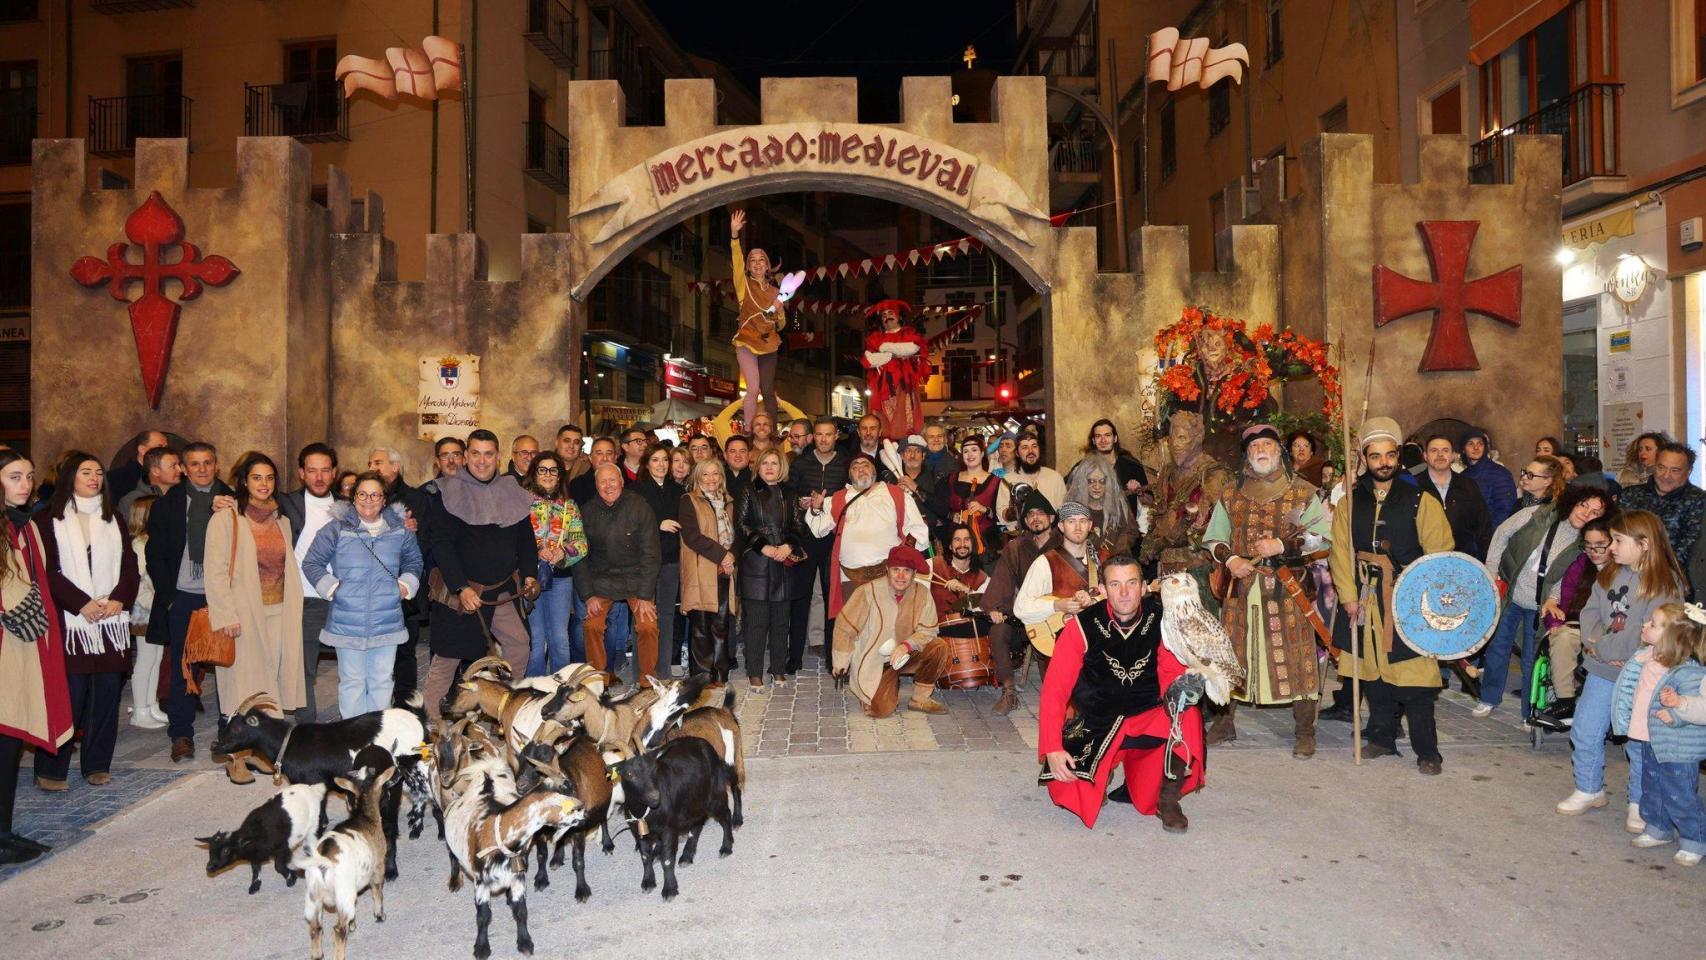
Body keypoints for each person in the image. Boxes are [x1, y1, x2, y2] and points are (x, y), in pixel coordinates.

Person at [1037, 554, 1205, 832]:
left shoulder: (1164, 622)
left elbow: (1169, 672)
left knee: (1186, 713)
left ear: (1144, 587)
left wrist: (1181, 691)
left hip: (1148, 716)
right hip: (1097, 720)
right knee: (1066, 789)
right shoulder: (1080, 626)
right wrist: (1052, 748)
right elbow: (1055, 690)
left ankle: (1167, 800)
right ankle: (1103, 772)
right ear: (1102, 590)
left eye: (1131, 583)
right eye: (1115, 584)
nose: (1124, 593)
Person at [1329, 416, 1455, 775]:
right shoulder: (1349, 504)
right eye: (1375, 456)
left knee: (1415, 678)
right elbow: (1340, 552)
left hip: (1407, 599)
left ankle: (1428, 750)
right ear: (1365, 459)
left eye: (1389, 455)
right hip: (1366, 596)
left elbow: (1441, 555)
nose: (1383, 462)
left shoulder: (1421, 500)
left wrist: (1426, 599)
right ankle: (1382, 738)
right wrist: (1348, 596)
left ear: (1398, 455)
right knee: (1372, 674)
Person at [1199, 424, 1333, 756]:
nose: (1261, 450)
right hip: (1241, 589)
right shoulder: (1231, 493)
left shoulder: (1303, 492)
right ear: (1247, 455)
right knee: (1231, 656)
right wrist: (1230, 559)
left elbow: (1323, 540)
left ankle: (1305, 730)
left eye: (1268, 445)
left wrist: (1283, 543)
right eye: (1255, 446)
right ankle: (1224, 722)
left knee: (1298, 657)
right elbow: (1213, 537)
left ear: (1279, 452)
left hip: (1287, 588)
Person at [1559, 510, 1687, 826]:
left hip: (1642, 676)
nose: (1611, 547)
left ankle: (1639, 801)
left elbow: (1643, 635)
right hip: (1603, 670)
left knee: (1638, 740)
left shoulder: (1665, 586)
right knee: (1585, 729)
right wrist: (1596, 643)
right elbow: (1589, 612)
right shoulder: (1610, 574)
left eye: (1618, 540)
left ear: (1644, 543)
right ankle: (1588, 788)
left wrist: (1601, 646)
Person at [32, 452, 139, 791]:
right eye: (85, 472)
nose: (94, 478)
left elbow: (130, 565)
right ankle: (51, 768)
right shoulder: (46, 519)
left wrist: (120, 597)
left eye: (98, 472)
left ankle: (96, 764)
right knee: (69, 696)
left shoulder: (114, 519)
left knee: (107, 695)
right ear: (68, 478)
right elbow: (46, 571)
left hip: (110, 623)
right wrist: (81, 604)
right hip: (70, 625)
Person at [421, 430, 539, 717]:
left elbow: (526, 541)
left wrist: (529, 575)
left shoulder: (513, 490)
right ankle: (429, 727)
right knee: (447, 660)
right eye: (475, 453)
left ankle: (504, 709)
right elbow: (442, 546)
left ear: (498, 457)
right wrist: (461, 587)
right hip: (461, 594)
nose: (482, 460)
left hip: (501, 591)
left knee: (519, 645)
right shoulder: (447, 491)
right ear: (466, 456)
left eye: (488, 454)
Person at [1477, 485, 1608, 720]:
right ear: (1572, 502)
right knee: (1497, 647)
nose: (1586, 514)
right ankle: (1488, 698)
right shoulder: (1537, 514)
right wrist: (1491, 572)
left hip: (1539, 605)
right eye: (1583, 505)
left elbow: (1567, 577)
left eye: (1595, 512)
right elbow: (1501, 534)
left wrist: (1551, 600)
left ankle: (1529, 713)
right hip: (1511, 594)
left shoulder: (1586, 542)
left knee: (1532, 657)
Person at [300, 472, 423, 718]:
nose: (369, 500)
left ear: (384, 499)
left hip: (387, 619)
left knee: (382, 681)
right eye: (362, 494)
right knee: (352, 682)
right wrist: (334, 589)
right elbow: (311, 562)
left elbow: (414, 561)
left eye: (375, 494)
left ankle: (377, 737)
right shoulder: (335, 529)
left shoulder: (400, 530)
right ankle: (354, 737)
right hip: (347, 620)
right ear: (353, 497)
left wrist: (405, 586)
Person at [0, 451, 72, 863]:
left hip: (24, 644)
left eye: (28, 476)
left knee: (9, 743)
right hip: (7, 645)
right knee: (4, 736)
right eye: (14, 477)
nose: (25, 484)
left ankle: (4, 831)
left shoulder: (24, 525)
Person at [144, 441, 234, 762]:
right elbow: (154, 554)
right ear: (183, 468)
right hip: (182, 596)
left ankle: (230, 728)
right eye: (194, 464)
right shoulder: (167, 505)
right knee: (184, 668)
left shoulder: (232, 499)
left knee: (227, 665)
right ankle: (181, 734)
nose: (201, 469)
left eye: (207, 463)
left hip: (220, 596)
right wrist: (169, 598)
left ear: (216, 464)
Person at [204, 452, 307, 727]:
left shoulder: (280, 520)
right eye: (257, 478)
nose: (264, 484)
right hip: (242, 614)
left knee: (270, 682)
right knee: (243, 683)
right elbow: (215, 572)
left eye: (270, 478)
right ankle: (237, 752)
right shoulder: (226, 518)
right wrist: (225, 616)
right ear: (244, 481)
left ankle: (263, 744)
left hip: (279, 611)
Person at [1613, 602, 1706, 866]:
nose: (1645, 625)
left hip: (1677, 745)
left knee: (1680, 792)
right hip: (1649, 737)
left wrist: (1677, 711)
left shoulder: (1689, 673)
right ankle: (1658, 826)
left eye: (1653, 624)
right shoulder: (1646, 659)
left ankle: (1695, 838)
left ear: (1672, 637)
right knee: (1651, 786)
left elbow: (1701, 709)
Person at [806, 452, 930, 625]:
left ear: (874, 470)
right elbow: (819, 530)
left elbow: (918, 529)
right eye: (855, 468)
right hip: (850, 577)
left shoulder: (896, 494)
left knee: (889, 628)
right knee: (855, 629)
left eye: (865, 465)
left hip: (889, 576)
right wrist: (817, 508)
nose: (860, 470)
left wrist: (903, 555)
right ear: (849, 475)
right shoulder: (838, 498)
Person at [831, 544, 949, 716]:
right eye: (896, 570)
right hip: (876, 661)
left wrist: (907, 645)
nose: (901, 576)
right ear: (887, 570)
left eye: (907, 571)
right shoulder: (867, 592)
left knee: (938, 647)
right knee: (880, 711)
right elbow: (844, 628)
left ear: (914, 574)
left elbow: (929, 630)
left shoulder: (922, 593)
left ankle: (920, 699)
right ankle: (878, 687)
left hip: (907, 654)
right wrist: (841, 662)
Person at [575, 463, 662, 686]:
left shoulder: (640, 507)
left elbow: (652, 554)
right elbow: (580, 558)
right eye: (602, 481)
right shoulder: (586, 512)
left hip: (636, 578)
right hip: (601, 579)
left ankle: (647, 681)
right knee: (591, 626)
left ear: (622, 482)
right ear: (596, 485)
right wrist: (588, 595)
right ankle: (598, 680)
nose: (608, 485)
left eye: (612, 480)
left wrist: (645, 595)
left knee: (647, 626)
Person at [981, 491, 1061, 715]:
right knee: (998, 632)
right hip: (1025, 616)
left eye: (1041, 513)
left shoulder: (1063, 544)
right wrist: (994, 608)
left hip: (1057, 616)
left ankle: (1062, 696)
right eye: (1030, 515)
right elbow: (1002, 579)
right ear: (1025, 521)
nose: (1035, 518)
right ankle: (1009, 692)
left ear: (1052, 518)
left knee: (1055, 661)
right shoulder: (1016, 547)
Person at [278, 442, 339, 721]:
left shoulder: (349, 507)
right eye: (312, 470)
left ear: (334, 473)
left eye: (325, 470)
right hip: (305, 599)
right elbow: (248, 506)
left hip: (343, 599)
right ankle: (307, 731)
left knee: (354, 668)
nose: (318, 477)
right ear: (301, 472)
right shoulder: (284, 504)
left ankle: (353, 726)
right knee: (305, 669)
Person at [1139, 410, 1232, 588]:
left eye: (1182, 438)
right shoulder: (1167, 472)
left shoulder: (1215, 474)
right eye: (1171, 438)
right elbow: (1160, 511)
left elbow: (1222, 526)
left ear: (1197, 440)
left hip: (1200, 567)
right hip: (1167, 566)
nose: (1175, 444)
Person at [788, 418, 851, 672]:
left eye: (828, 434)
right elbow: (788, 493)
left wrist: (829, 504)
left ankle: (832, 657)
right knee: (800, 597)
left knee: (831, 597)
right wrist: (800, 504)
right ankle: (794, 658)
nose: (824, 439)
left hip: (833, 539)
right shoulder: (801, 462)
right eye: (819, 435)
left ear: (836, 436)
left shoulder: (846, 462)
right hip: (805, 537)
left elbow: (851, 494)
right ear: (813, 437)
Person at [739, 449, 803, 690]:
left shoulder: (790, 493)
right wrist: (763, 547)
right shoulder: (749, 491)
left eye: (774, 463)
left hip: (784, 563)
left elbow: (798, 525)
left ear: (781, 467)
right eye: (764, 463)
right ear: (758, 466)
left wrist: (789, 545)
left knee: (780, 622)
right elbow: (742, 524)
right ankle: (754, 672)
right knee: (756, 622)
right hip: (757, 562)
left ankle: (777, 669)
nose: (769, 467)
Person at [1015, 501, 1106, 671]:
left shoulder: (1103, 560)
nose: (1078, 527)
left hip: (1099, 643)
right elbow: (1021, 608)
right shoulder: (1045, 563)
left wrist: (1099, 598)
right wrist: (1056, 605)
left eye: (1083, 521)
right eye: (1071, 521)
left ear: (1090, 525)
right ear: (1062, 526)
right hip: (1060, 645)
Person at [520, 453, 586, 678]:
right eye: (542, 469)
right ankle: (533, 689)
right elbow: (511, 540)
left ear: (559, 475)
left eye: (553, 470)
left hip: (560, 578)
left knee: (560, 638)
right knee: (536, 640)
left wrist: (562, 552)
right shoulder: (521, 503)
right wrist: (537, 551)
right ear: (534, 473)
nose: (548, 475)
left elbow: (581, 543)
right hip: (530, 576)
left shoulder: (570, 506)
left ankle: (560, 688)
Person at [680, 458, 737, 685]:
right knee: (701, 626)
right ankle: (702, 676)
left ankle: (721, 674)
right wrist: (722, 555)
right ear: (697, 478)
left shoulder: (729, 502)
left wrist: (730, 555)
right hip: (701, 569)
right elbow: (692, 536)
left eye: (716, 474)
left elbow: (735, 534)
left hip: (724, 570)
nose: (711, 479)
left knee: (721, 624)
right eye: (706, 475)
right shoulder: (689, 500)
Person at [729, 208, 787, 429]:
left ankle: (770, 431)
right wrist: (735, 237)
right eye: (752, 260)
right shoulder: (744, 285)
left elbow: (781, 325)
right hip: (746, 342)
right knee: (753, 389)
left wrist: (778, 313)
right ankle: (749, 432)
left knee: (768, 389)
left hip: (769, 345)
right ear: (748, 265)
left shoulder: (775, 291)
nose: (756, 263)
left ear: (767, 264)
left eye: (761, 259)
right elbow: (736, 263)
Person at [1619, 442, 1705, 582]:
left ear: (1688, 472)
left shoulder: (1699, 500)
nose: (1666, 475)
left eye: (1675, 470)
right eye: (1661, 467)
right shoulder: (1631, 495)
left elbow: (1690, 547)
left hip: (1672, 581)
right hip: (1625, 576)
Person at [634, 442, 684, 669]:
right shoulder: (636, 490)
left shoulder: (677, 489)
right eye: (655, 460)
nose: (661, 464)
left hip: (671, 560)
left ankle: (663, 670)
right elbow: (631, 525)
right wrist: (657, 524)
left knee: (666, 616)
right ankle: (643, 671)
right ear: (646, 463)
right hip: (644, 561)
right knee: (645, 620)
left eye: (665, 460)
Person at [125, 496, 167, 729]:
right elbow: (141, 580)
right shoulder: (139, 544)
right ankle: (140, 710)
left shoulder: (152, 540)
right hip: (144, 610)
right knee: (145, 659)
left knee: (157, 657)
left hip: (154, 609)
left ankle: (151, 705)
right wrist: (156, 601)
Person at [862, 299, 929, 440]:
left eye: (890, 313)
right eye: (884, 315)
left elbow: (912, 348)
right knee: (883, 416)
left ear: (899, 315)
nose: (887, 317)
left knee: (906, 415)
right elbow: (869, 360)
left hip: (904, 385)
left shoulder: (908, 333)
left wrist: (885, 348)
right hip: (882, 386)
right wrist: (894, 354)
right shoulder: (875, 338)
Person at [1418, 434, 1491, 561]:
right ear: (1425, 456)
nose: (1440, 455)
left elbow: (1483, 528)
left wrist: (1487, 564)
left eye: (1445, 451)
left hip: (1463, 561)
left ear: (1453, 456)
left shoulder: (1469, 485)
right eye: (1434, 450)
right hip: (1424, 562)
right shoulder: (1413, 486)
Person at [1063, 455, 1140, 561]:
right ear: (1083, 482)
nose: (1097, 486)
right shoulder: (1075, 508)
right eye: (1091, 481)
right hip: (1080, 568)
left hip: (1114, 566)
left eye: (1102, 481)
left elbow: (1131, 531)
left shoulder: (1119, 506)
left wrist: (1121, 549)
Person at [948, 437, 1002, 568]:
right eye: (965, 451)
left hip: (985, 545)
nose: (970, 454)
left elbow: (1000, 514)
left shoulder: (996, 481)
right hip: (956, 545)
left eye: (974, 450)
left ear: (982, 453)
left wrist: (985, 509)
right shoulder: (951, 478)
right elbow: (943, 508)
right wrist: (951, 515)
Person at [1081, 419, 1149, 517]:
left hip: (1127, 528)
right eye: (1098, 436)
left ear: (1115, 438)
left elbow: (1150, 501)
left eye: (1107, 435)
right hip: (1094, 528)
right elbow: (1069, 489)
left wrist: (1139, 491)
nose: (1103, 440)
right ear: (1093, 441)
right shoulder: (1084, 466)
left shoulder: (1132, 464)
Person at [998, 432, 1067, 525]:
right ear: (1017, 453)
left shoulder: (1055, 477)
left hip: (1052, 535)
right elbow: (1002, 516)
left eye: (1034, 446)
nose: (1031, 451)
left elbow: (1064, 511)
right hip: (1020, 536)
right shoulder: (1008, 480)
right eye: (1025, 447)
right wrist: (1017, 509)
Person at [895, 434, 951, 549]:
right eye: (908, 451)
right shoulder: (890, 480)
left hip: (929, 540)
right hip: (897, 539)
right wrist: (895, 493)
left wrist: (916, 488)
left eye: (917, 451)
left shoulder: (937, 478)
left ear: (923, 455)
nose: (912, 455)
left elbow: (944, 510)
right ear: (901, 455)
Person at [1461, 427, 1518, 532]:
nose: (1476, 447)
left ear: (1485, 448)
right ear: (1463, 449)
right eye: (1470, 444)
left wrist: (1486, 537)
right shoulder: (1462, 476)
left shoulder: (1500, 474)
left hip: (1490, 538)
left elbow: (1505, 511)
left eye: (1480, 443)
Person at [117, 444, 182, 522]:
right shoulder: (130, 501)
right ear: (156, 471)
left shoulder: (184, 495)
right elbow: (125, 532)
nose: (180, 470)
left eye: (179, 464)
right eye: (173, 466)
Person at [107, 429, 168, 501]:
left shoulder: (172, 477)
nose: (167, 453)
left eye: (166, 448)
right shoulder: (114, 478)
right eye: (160, 448)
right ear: (142, 450)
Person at [569, 437, 621, 505]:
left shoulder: (626, 483)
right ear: (590, 458)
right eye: (599, 453)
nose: (605, 458)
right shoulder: (578, 485)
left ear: (615, 457)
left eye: (609, 453)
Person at [724, 435, 755, 505]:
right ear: (725, 455)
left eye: (742, 451)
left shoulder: (757, 479)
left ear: (749, 455)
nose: (738, 455)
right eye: (733, 451)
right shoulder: (716, 479)